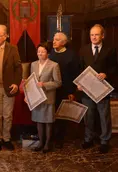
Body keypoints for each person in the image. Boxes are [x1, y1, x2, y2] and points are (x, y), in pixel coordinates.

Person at [78, 24, 117, 153]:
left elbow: (115, 68)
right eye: (92, 35)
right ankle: (88, 139)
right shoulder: (83, 50)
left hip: (102, 89)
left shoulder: (110, 50)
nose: (94, 37)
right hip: (87, 89)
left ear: (102, 36)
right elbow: (79, 68)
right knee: (89, 116)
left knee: (104, 115)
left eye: (96, 34)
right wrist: (78, 83)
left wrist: (106, 74)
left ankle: (105, 141)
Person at [25, 43, 62, 153]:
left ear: (48, 53)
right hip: (37, 98)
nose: (40, 53)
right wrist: (28, 96)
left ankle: (47, 144)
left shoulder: (54, 65)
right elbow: (31, 82)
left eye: (43, 51)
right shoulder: (33, 64)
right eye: (39, 51)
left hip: (48, 98)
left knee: (48, 122)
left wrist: (44, 85)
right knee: (39, 121)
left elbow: (58, 83)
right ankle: (41, 142)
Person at [49, 32, 80, 148]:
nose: (54, 41)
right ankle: (51, 136)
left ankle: (60, 139)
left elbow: (75, 74)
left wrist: (71, 92)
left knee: (62, 115)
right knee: (52, 113)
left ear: (64, 42)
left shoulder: (71, 55)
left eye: (57, 40)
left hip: (65, 90)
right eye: (54, 39)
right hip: (52, 89)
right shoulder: (51, 53)